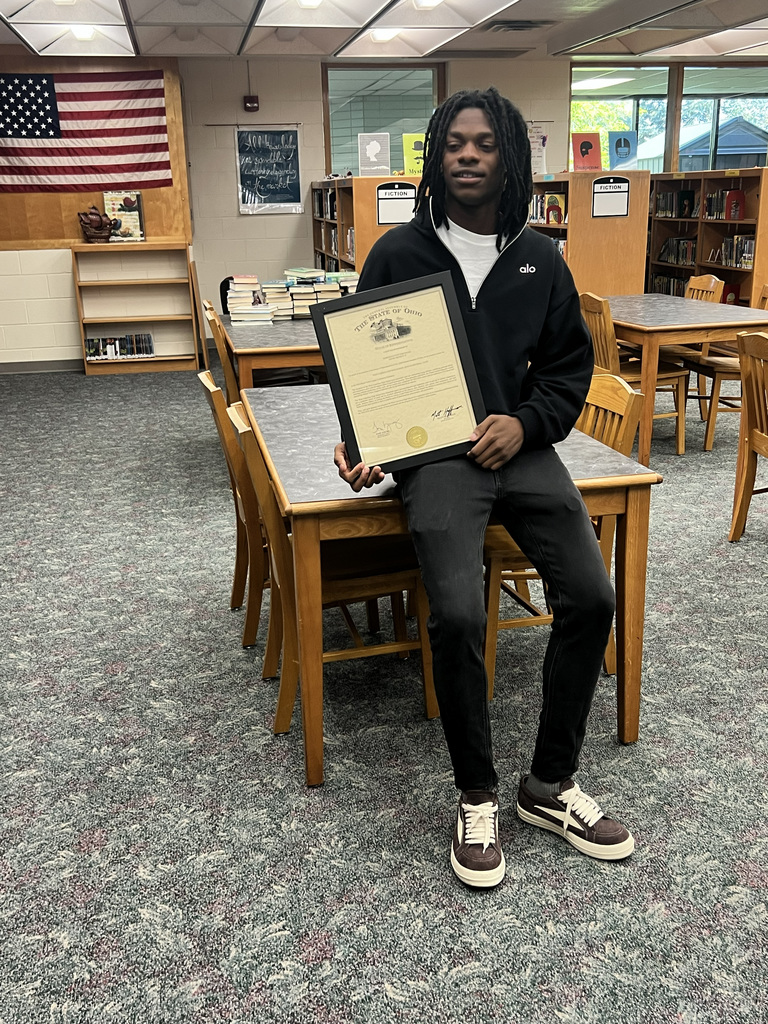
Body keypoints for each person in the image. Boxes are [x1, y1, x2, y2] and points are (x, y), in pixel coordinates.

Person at [334, 87, 634, 889]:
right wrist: (367, 445)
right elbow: (369, 370)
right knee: (461, 611)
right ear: (437, 156)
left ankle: (550, 783)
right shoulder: (397, 253)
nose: (467, 155)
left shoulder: (541, 255)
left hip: (519, 448)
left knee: (593, 597)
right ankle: (476, 793)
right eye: (454, 143)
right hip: (436, 460)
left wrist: (527, 423)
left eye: (484, 144)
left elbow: (569, 368)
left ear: (509, 156)